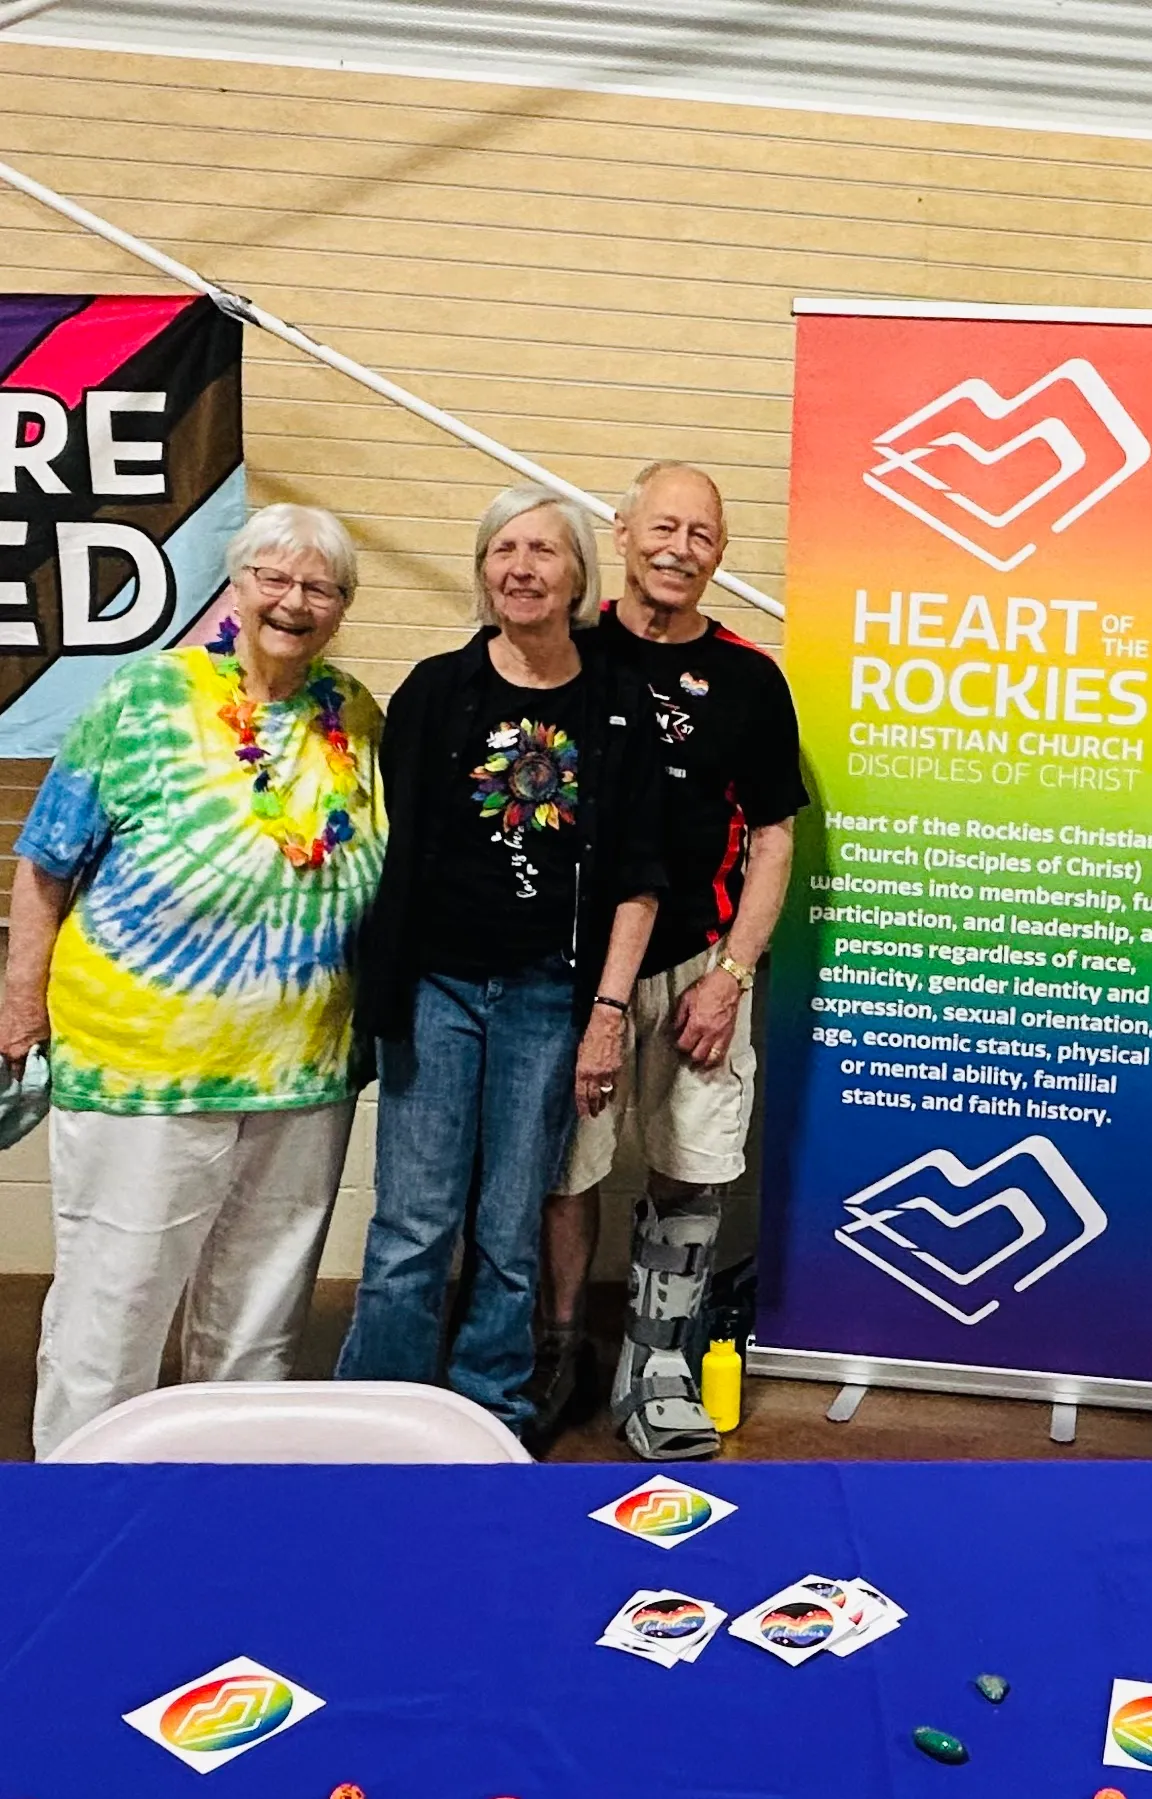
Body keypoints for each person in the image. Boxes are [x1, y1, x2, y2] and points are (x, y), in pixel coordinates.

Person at [0, 505, 384, 1457]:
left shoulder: (355, 714)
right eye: (273, 578)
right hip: (142, 1071)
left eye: (320, 587)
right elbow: (45, 862)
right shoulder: (146, 697)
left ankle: (224, 1494)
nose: (294, 601)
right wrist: (18, 1003)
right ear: (237, 583)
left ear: (342, 607)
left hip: (300, 1076)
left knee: (259, 1323)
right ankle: (84, 1501)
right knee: (114, 1311)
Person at [338, 483, 667, 1435]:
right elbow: (394, 842)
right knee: (412, 1222)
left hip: (547, 997)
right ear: (484, 572)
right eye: (503, 550)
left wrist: (606, 1012)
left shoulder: (617, 704)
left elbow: (640, 879)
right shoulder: (436, 691)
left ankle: (491, 1407)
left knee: (512, 1223)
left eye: (543, 551)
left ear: (578, 577)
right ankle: (379, 1416)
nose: (521, 568)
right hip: (433, 990)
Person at [535, 461, 806, 1459]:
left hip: (700, 962)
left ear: (721, 553)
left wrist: (732, 976)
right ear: (620, 530)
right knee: (564, 1168)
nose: (679, 549)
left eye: (700, 534)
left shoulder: (748, 678)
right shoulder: (565, 650)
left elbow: (773, 839)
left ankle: (654, 1363)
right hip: (573, 968)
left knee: (692, 1166)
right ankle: (559, 1349)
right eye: (663, 527)